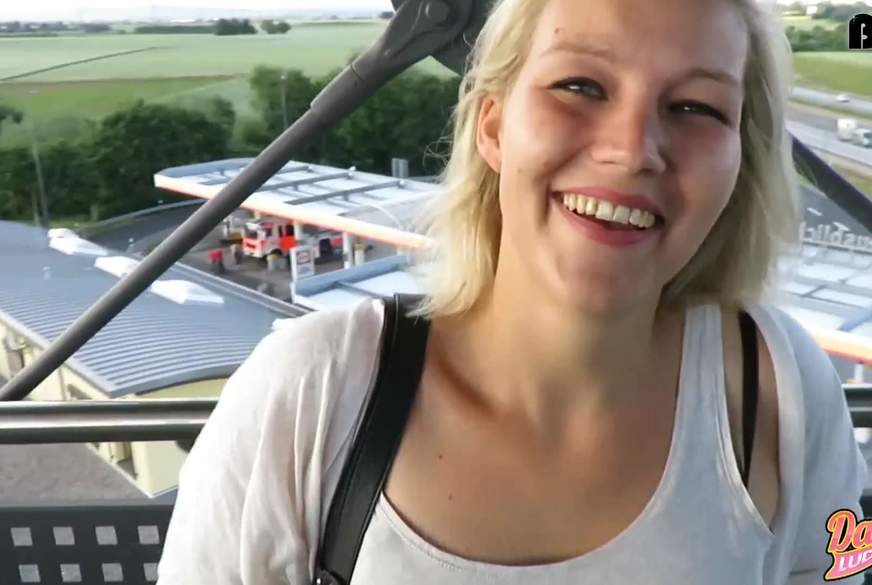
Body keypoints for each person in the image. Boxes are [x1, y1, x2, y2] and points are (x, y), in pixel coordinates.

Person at [156, 0, 868, 583]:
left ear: (740, 164)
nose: (632, 151)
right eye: (579, 86)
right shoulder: (306, 395)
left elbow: (847, 568)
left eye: (696, 107)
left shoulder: (790, 386)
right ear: (493, 127)